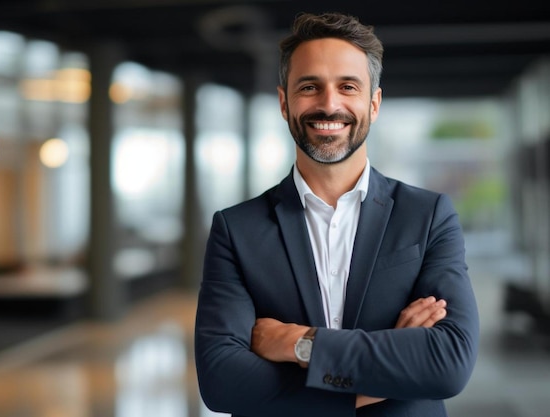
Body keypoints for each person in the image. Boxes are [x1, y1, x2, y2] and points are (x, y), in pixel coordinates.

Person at [194, 11, 479, 417]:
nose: (329, 105)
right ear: (283, 102)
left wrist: (298, 343)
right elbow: (222, 383)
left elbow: (448, 363)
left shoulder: (429, 216)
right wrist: (385, 374)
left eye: (348, 87)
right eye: (310, 87)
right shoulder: (236, 229)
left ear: (373, 103)